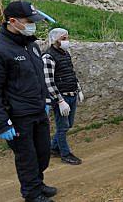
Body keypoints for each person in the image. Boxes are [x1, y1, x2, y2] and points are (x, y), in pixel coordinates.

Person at [0, 1, 57, 202]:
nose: (33, 24)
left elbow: (39, 76)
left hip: (38, 111)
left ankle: (38, 184)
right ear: (12, 21)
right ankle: (31, 193)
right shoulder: (0, 49)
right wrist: (2, 123)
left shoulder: (30, 44)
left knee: (43, 153)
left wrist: (46, 99)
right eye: (28, 21)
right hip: (18, 116)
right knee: (27, 158)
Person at [42, 28, 84, 165]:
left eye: (67, 38)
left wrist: (79, 89)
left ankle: (53, 147)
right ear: (55, 40)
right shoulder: (48, 57)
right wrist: (60, 100)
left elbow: (71, 73)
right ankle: (65, 154)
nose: (67, 41)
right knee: (62, 127)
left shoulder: (66, 54)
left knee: (68, 124)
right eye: (63, 38)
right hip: (62, 97)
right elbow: (48, 82)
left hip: (72, 94)